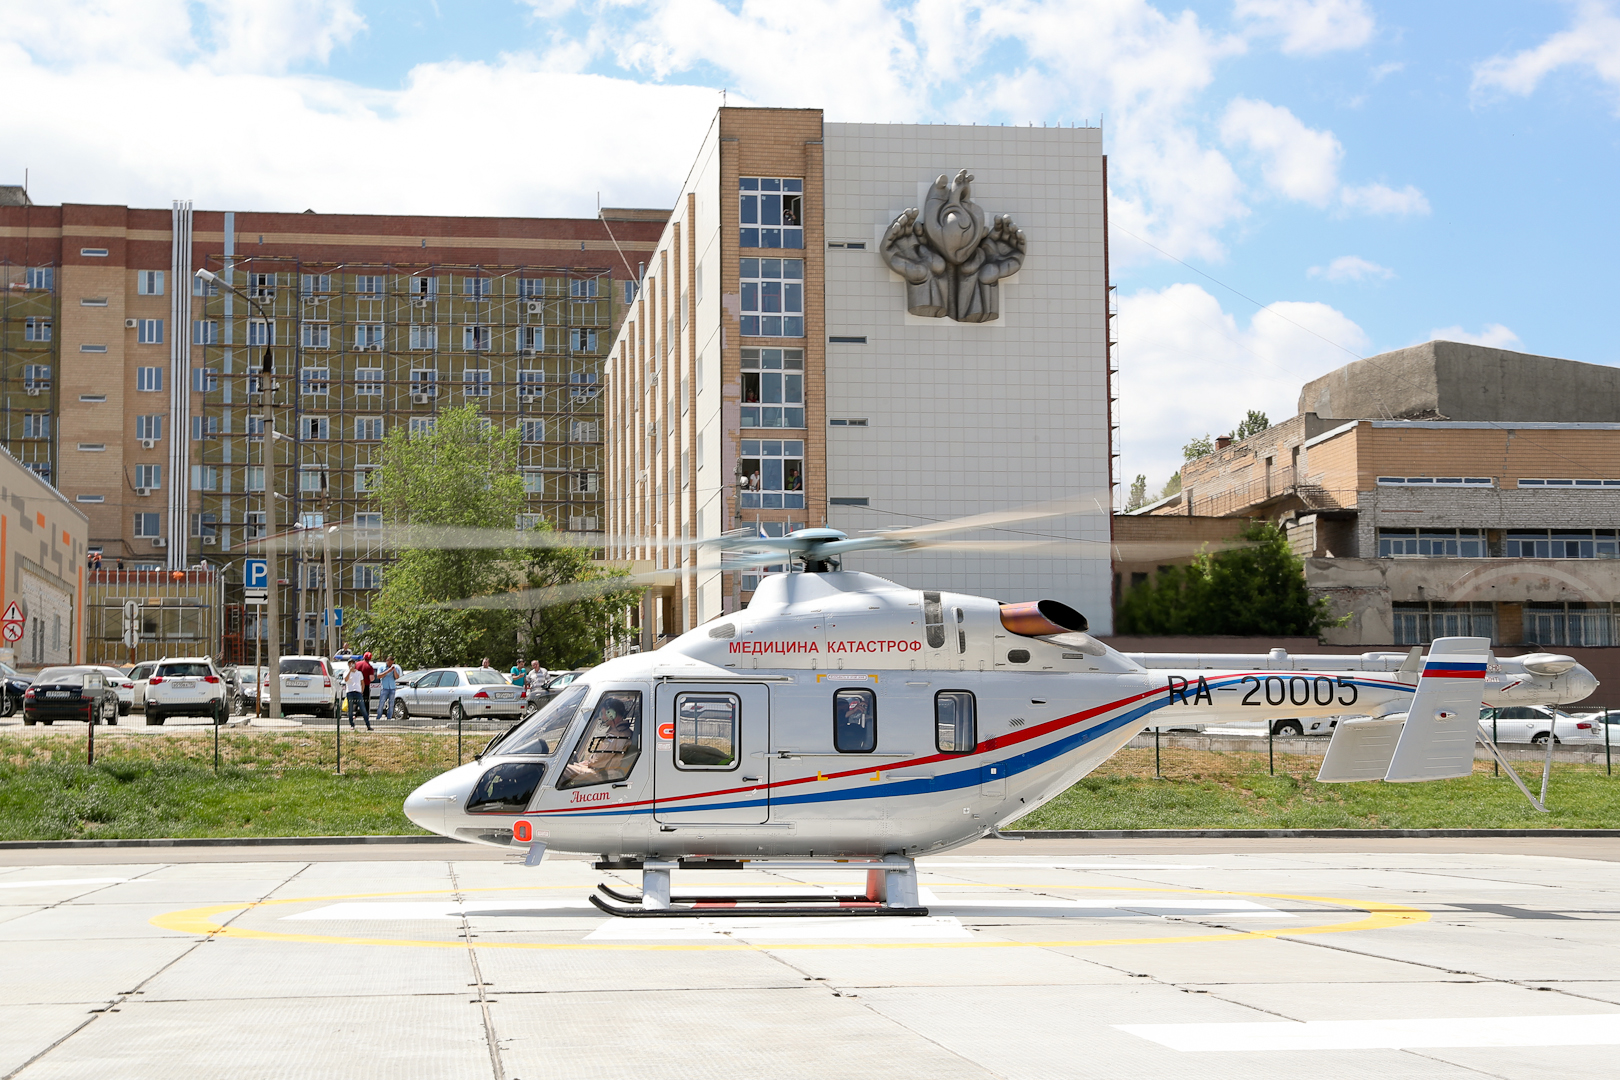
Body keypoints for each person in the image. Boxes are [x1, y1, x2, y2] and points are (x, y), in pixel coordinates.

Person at [561, 696, 639, 786]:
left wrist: (588, 763)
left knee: (562, 770)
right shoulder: (621, 731)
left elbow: (598, 760)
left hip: (603, 775)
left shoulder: (617, 734)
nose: (601, 717)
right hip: (602, 771)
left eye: (603, 713)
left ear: (611, 714)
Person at [343, 661, 371, 731]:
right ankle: (352, 725)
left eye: (353, 663)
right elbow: (346, 679)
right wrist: (350, 671)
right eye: (350, 663)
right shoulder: (346, 672)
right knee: (350, 709)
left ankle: (368, 725)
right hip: (350, 692)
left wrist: (362, 691)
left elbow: (362, 682)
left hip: (358, 692)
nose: (351, 665)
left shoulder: (359, 673)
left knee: (363, 709)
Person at [376, 656, 403, 722]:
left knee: (391, 704)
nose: (390, 664)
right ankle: (378, 717)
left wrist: (394, 670)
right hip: (384, 688)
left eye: (392, 663)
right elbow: (379, 676)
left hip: (392, 688)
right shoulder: (381, 667)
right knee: (381, 703)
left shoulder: (395, 667)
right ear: (387, 661)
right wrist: (388, 671)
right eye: (389, 662)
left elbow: (397, 677)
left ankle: (389, 718)